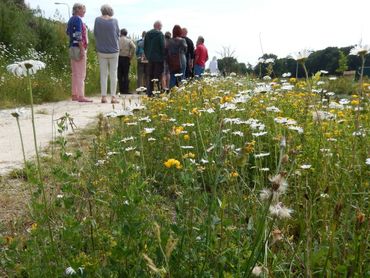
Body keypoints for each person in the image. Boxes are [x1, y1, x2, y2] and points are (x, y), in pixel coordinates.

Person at [93, 4, 120, 103]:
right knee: (113, 74)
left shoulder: (97, 20)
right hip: (114, 51)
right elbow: (117, 34)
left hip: (101, 50)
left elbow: (95, 33)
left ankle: (103, 97)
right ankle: (113, 97)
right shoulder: (115, 21)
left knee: (103, 74)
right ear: (110, 11)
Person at [66, 3, 92, 102]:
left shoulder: (71, 19)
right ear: (78, 9)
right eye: (83, 9)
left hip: (72, 47)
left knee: (75, 73)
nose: (85, 11)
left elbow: (68, 32)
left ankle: (74, 94)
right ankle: (81, 96)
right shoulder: (78, 19)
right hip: (78, 47)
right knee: (81, 73)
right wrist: (82, 49)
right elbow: (78, 34)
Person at [144, 20, 165, 97]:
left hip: (150, 58)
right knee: (158, 76)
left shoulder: (147, 34)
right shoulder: (160, 34)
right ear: (158, 26)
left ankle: (150, 92)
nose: (161, 28)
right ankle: (157, 91)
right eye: (161, 26)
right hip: (159, 59)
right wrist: (163, 56)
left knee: (150, 76)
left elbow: (145, 46)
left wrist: (148, 55)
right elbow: (162, 46)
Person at [118, 28, 136, 94]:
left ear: (121, 33)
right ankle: (126, 90)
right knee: (126, 74)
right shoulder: (129, 40)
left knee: (119, 74)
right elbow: (134, 47)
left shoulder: (118, 40)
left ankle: (120, 89)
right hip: (126, 58)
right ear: (126, 33)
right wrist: (131, 55)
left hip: (119, 58)